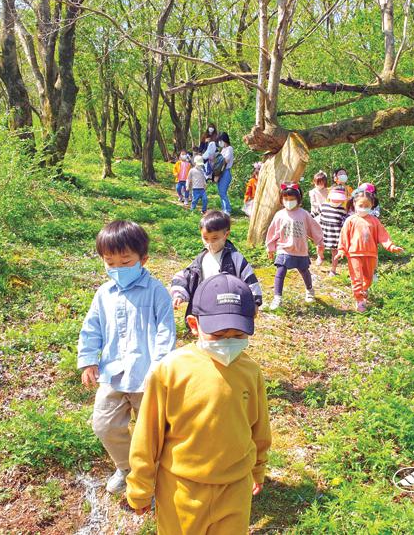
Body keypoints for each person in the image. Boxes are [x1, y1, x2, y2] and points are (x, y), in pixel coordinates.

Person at [126, 273, 272, 534]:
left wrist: (258, 469)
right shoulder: (171, 370)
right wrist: (140, 487)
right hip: (181, 490)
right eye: (218, 334)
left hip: (235, 488)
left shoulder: (251, 371)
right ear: (194, 324)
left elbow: (259, 428)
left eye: (238, 334)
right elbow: (147, 435)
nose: (228, 342)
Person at [77, 220, 176, 494]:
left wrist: (159, 369)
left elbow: (165, 332)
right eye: (110, 263)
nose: (118, 268)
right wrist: (88, 360)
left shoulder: (156, 292)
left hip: (147, 377)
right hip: (112, 374)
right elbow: (92, 328)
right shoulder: (103, 294)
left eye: (125, 261)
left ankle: (152, 474)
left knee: (152, 432)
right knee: (104, 424)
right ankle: (127, 467)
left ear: (143, 259)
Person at [171, 210, 263, 321]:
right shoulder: (202, 258)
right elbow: (185, 276)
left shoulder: (235, 258)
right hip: (204, 309)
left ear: (226, 234)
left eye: (214, 238)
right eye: (205, 238)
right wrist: (179, 294)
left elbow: (250, 280)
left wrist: (254, 302)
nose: (210, 243)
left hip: (228, 309)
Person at [335, 187, 404, 312]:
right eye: (361, 205)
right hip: (354, 254)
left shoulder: (374, 221)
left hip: (371, 254)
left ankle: (364, 290)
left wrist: (391, 247)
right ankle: (359, 300)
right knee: (357, 278)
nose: (363, 208)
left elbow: (383, 236)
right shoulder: (350, 220)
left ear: (372, 205)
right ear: (354, 204)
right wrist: (341, 250)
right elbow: (344, 237)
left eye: (367, 205)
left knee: (368, 278)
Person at [265, 182, 325, 310]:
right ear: (281, 199)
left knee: (304, 271)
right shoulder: (279, 215)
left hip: (300, 250)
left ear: (298, 199)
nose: (289, 202)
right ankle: (277, 297)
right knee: (280, 271)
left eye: (292, 199)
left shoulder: (304, 214)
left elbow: (314, 228)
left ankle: (309, 290)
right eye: (286, 199)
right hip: (284, 249)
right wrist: (270, 248)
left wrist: (319, 242)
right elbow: (272, 232)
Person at [315, 186, 349, 276]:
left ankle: (333, 270)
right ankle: (320, 256)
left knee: (335, 252)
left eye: (339, 200)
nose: (336, 201)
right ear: (330, 197)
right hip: (323, 232)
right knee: (319, 247)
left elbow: (346, 222)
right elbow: (314, 214)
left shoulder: (343, 210)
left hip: (336, 235)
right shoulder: (323, 206)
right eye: (335, 199)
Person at [216, 131, 234, 214]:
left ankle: (227, 210)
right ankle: (224, 209)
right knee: (220, 192)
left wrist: (219, 159)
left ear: (224, 139)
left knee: (223, 192)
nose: (219, 142)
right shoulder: (223, 149)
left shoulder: (229, 148)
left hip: (226, 172)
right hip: (220, 172)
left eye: (220, 140)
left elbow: (226, 160)